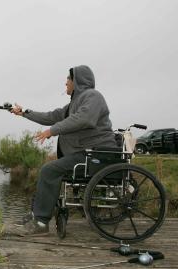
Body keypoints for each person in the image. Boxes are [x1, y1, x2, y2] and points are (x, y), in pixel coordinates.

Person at [10, 65, 117, 235]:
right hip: (84, 153)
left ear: (77, 81)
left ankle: (41, 222)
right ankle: (35, 214)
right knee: (48, 171)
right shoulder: (72, 104)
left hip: (96, 153)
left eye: (68, 78)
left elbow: (84, 119)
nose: (65, 82)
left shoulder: (93, 96)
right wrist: (24, 113)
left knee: (49, 170)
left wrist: (52, 130)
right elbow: (50, 116)